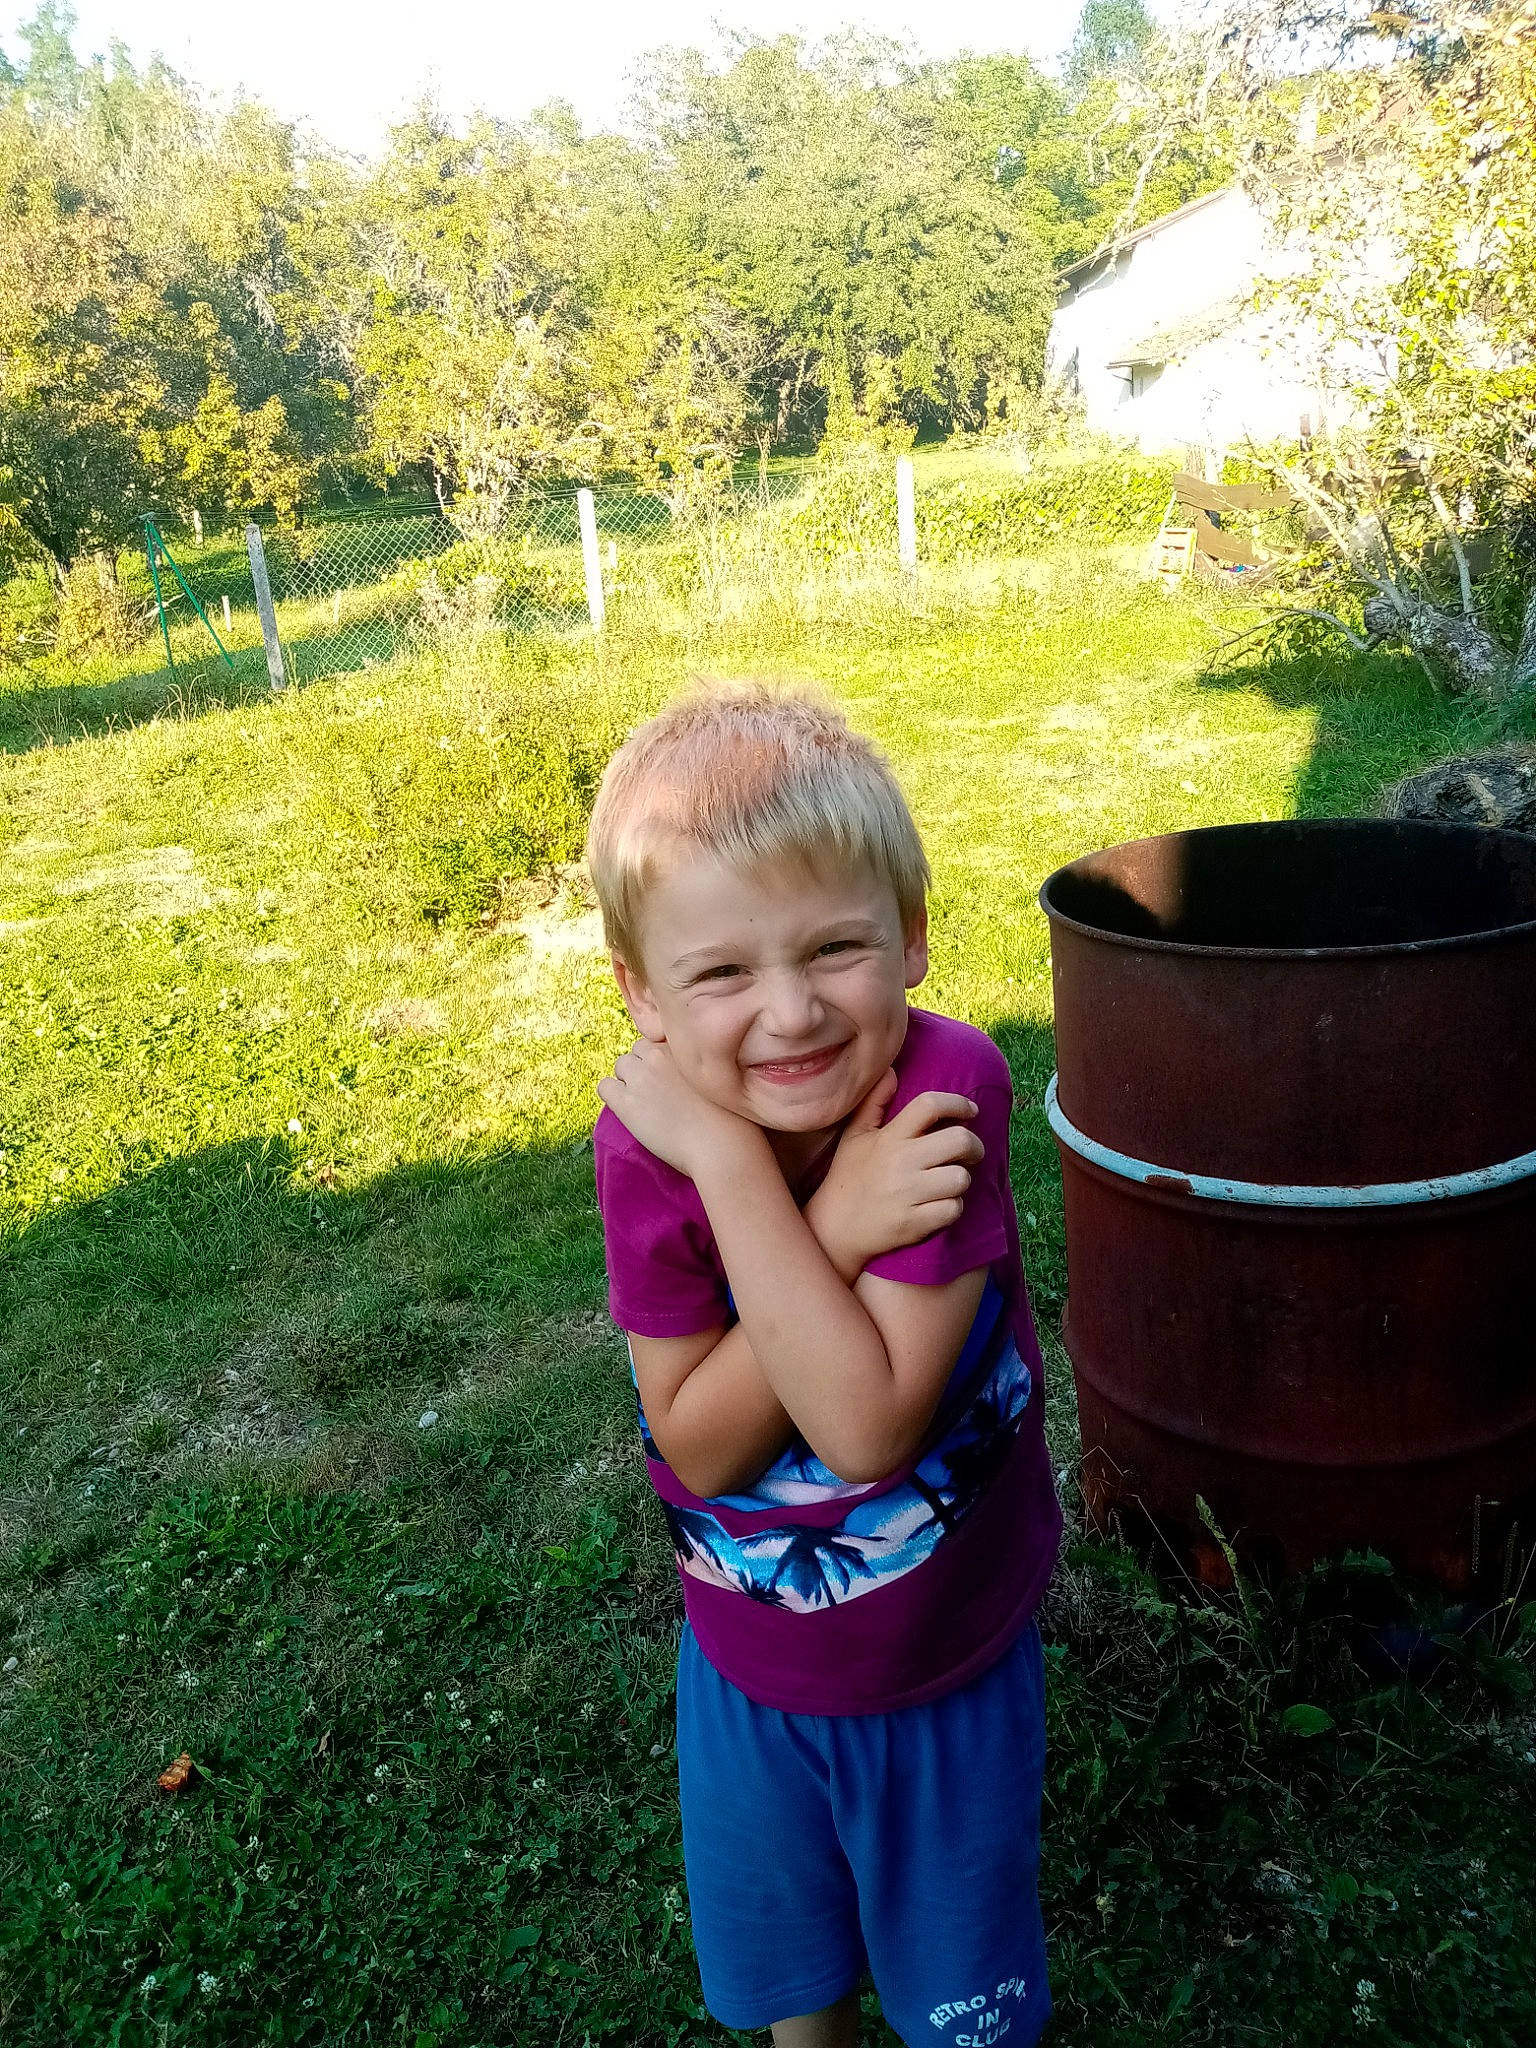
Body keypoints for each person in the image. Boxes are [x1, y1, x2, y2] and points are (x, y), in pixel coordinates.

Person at [587, 684, 1062, 2048]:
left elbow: (863, 1426)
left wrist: (742, 1172)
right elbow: (699, 1444)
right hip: (745, 1662)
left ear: (911, 940)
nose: (790, 1013)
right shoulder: (645, 1155)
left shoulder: (940, 1095)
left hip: (941, 1657)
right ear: (643, 996)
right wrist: (810, 1212)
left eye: (835, 949)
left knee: (959, 2006)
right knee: (799, 1994)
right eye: (723, 972)